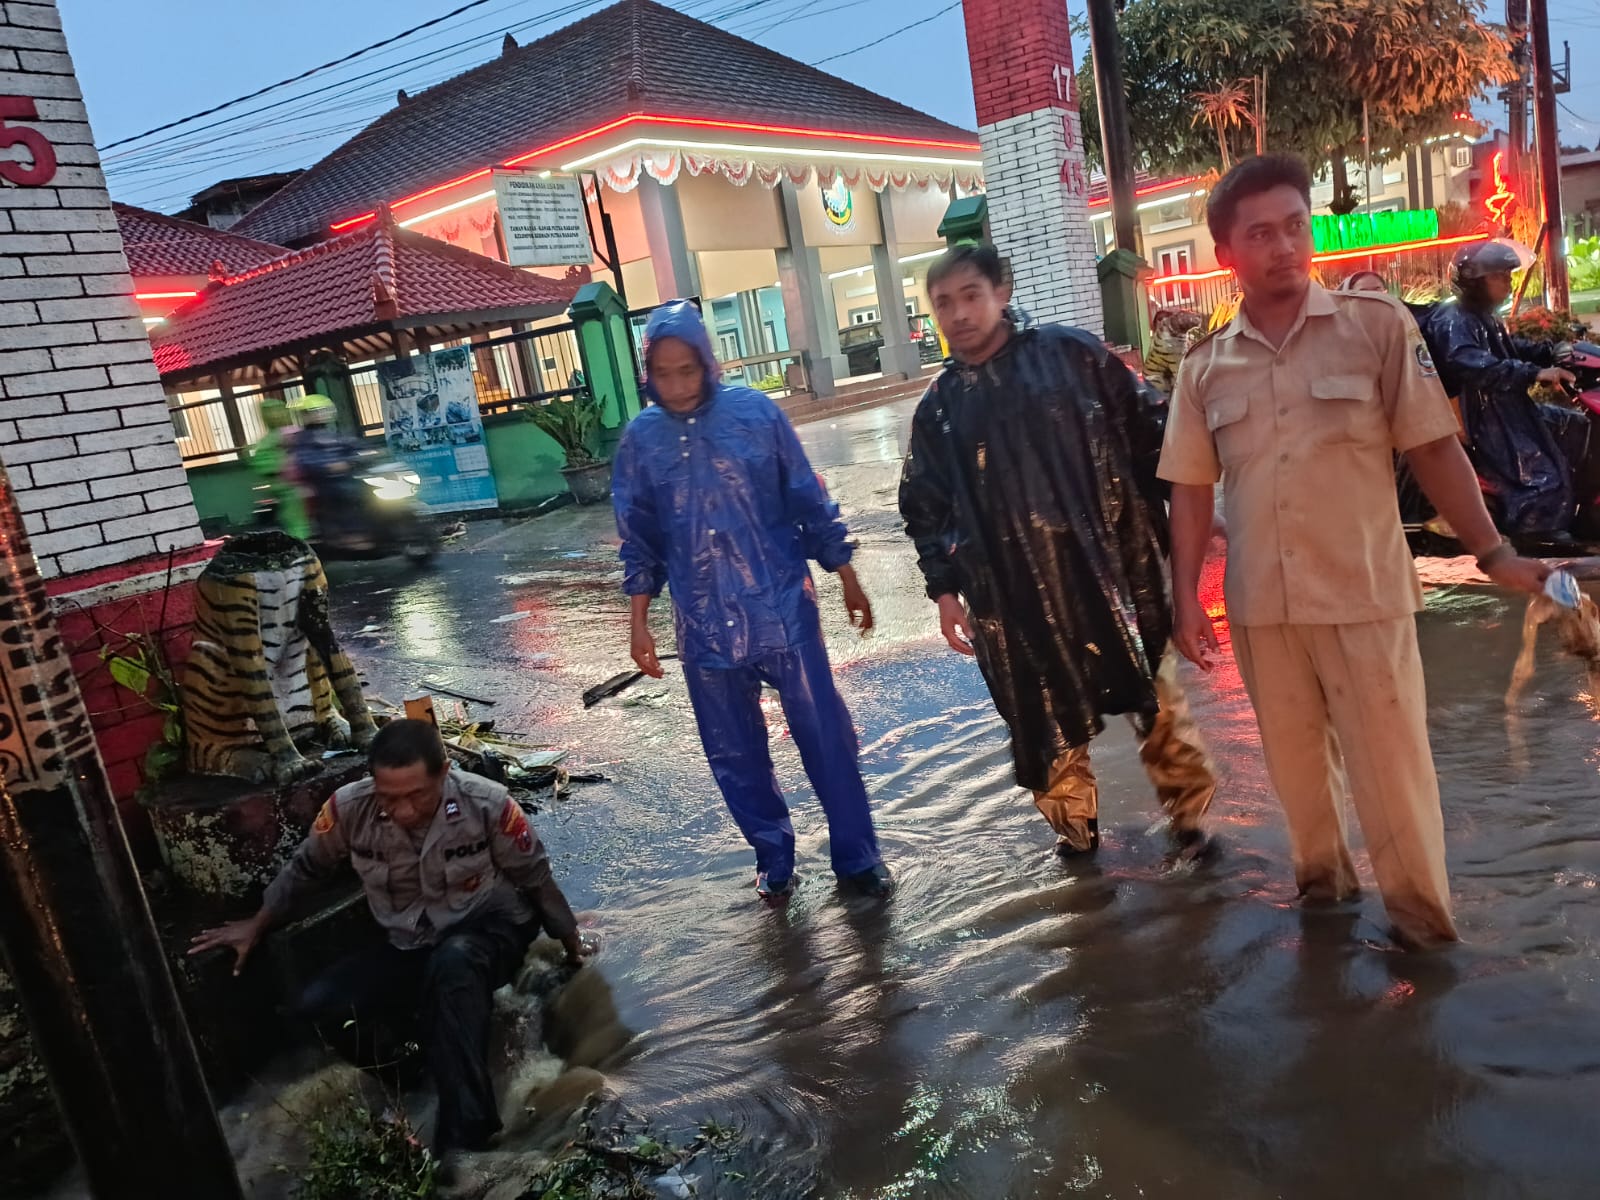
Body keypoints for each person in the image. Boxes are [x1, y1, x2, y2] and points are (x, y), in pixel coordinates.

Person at [1158, 155, 1551, 949]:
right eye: (1260, 234)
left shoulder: (1376, 331)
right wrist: (1182, 604)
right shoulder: (1205, 368)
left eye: (1295, 226)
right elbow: (1192, 491)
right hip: (1264, 610)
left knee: (1395, 786)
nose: (1284, 246)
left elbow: (1434, 450)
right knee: (1302, 792)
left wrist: (1493, 550)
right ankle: (1327, 924)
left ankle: (1424, 938)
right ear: (1227, 254)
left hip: (1366, 596)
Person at [898, 244, 1217, 858]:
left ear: (1002, 292)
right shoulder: (939, 410)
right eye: (944, 303)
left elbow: (1155, 436)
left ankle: (1192, 823)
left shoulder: (1073, 357)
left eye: (970, 295)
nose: (959, 313)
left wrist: (1196, 510)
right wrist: (945, 592)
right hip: (1013, 603)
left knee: (1156, 701)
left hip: (1115, 578)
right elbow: (924, 508)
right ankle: (1076, 838)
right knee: (1043, 722)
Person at [190, 720, 586, 1152]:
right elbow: (306, 869)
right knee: (321, 1005)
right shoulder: (348, 809)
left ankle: (468, 1146)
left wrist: (572, 947)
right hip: (410, 943)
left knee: (455, 964)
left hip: (490, 932)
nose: (403, 810)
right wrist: (258, 922)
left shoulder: (487, 804)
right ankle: (413, 1072)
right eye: (389, 797)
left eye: (417, 795)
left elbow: (536, 881)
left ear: (445, 771)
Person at [612, 300, 893, 902]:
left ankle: (858, 857)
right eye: (663, 373)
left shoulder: (755, 415)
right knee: (734, 756)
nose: (678, 385)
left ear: (707, 362)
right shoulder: (642, 440)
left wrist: (846, 574)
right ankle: (774, 856)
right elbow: (639, 537)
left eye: (687, 369)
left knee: (826, 737)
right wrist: (640, 622)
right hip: (703, 628)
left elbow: (806, 498)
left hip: (781, 609)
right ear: (648, 374)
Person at [1427, 240, 1582, 539]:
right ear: (1473, 280)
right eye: (1500, 276)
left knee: (1574, 427)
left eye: (1509, 276)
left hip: (1503, 407)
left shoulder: (1484, 317)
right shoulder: (1453, 319)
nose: (1508, 284)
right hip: (1482, 415)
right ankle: (1535, 529)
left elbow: (1510, 349)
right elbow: (1472, 363)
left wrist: (1552, 351)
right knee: (1539, 473)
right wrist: (1535, 372)